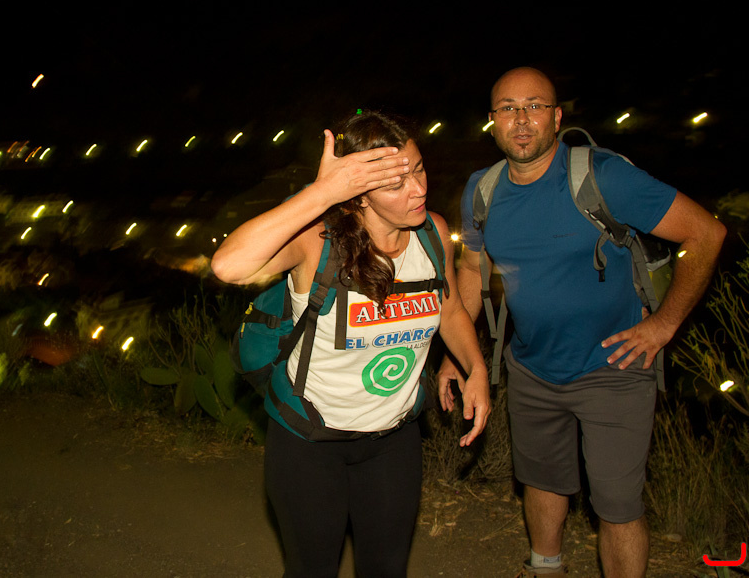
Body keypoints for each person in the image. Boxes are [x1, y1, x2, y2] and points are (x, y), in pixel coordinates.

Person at [438, 67, 727, 578]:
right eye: (508, 108)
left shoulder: (603, 177)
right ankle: (544, 567)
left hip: (613, 367)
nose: (521, 119)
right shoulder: (481, 189)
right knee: (541, 480)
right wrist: (456, 356)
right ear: (492, 121)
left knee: (617, 505)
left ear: (556, 117)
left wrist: (664, 325)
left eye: (534, 106)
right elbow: (469, 267)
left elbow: (706, 234)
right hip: (531, 367)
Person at [212, 110, 491, 577]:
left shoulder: (433, 233)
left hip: (393, 440)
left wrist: (475, 367)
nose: (418, 189)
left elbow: (449, 309)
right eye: (395, 183)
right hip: (309, 441)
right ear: (358, 194)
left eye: (418, 169)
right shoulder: (317, 241)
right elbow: (228, 265)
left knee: (386, 568)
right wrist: (323, 192)